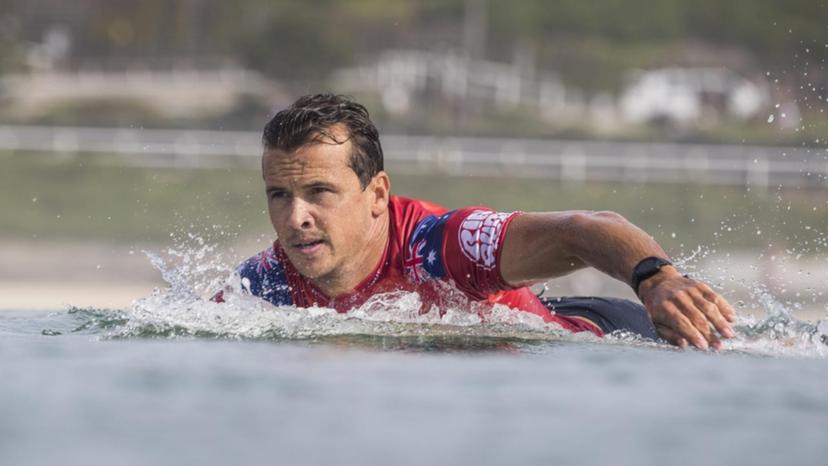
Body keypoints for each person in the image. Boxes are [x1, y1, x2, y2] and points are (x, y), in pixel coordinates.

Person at [216, 93, 736, 351]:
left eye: (318, 192)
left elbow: (583, 226)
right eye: (278, 195)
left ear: (377, 195)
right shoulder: (263, 284)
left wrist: (659, 280)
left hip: (603, 330)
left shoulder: (443, 243)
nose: (294, 217)